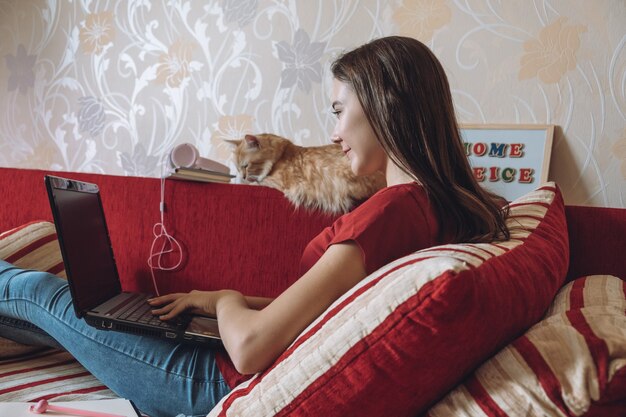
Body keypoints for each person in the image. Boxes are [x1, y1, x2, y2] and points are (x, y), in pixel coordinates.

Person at [0, 36, 508, 417]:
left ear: (384, 104)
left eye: (339, 111)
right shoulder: (434, 207)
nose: (334, 133)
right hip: (232, 364)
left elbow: (248, 350)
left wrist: (226, 304)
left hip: (208, 382)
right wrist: (223, 297)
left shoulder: (389, 212)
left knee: (39, 292)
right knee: (46, 321)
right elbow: (337, 311)